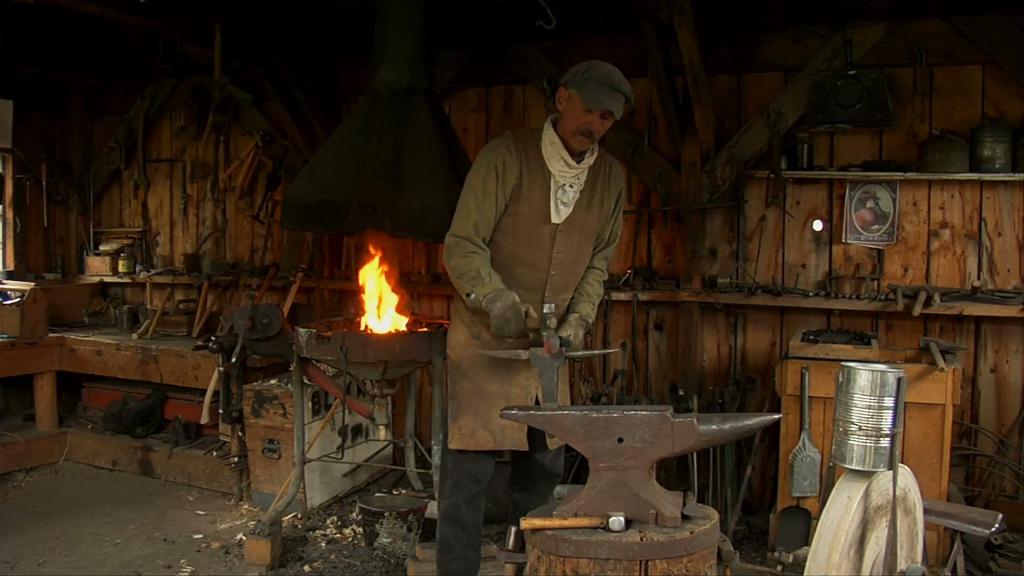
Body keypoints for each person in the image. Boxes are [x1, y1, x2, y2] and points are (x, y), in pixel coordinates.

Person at [438, 60, 632, 575]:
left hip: (550, 351)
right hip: (484, 342)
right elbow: (462, 246)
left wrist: (578, 322)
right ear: (563, 98)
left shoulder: (610, 178)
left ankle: (532, 569)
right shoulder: (506, 157)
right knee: (469, 476)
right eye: (589, 110)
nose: (595, 125)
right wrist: (497, 300)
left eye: (608, 118)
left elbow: (598, 263)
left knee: (541, 476)